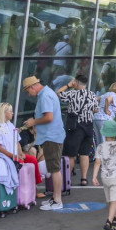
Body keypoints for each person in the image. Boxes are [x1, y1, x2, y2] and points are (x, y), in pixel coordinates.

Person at [20, 76, 66, 211]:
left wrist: (33, 122)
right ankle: (55, 198)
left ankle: (57, 200)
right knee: (54, 168)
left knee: (54, 169)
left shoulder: (44, 96)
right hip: (52, 136)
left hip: (51, 136)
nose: (29, 94)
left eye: (28, 91)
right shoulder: (47, 93)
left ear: (32, 87)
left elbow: (48, 117)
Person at [91, 119, 116, 230]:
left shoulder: (100, 147)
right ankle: (109, 222)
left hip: (105, 177)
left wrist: (94, 177)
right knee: (114, 200)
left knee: (111, 198)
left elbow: (97, 162)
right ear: (115, 133)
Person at [57, 74, 97, 185]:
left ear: (76, 83)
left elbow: (58, 93)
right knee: (84, 153)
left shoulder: (72, 93)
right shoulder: (92, 95)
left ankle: (67, 179)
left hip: (75, 127)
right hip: (89, 126)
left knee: (70, 154)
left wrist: (68, 85)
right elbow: (96, 109)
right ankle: (84, 179)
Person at [94, 82, 116, 152]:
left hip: (96, 118)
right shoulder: (113, 95)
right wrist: (106, 110)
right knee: (105, 139)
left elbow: (96, 99)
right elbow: (108, 99)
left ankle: (99, 157)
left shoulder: (105, 94)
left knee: (99, 139)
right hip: (104, 119)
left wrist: (97, 108)